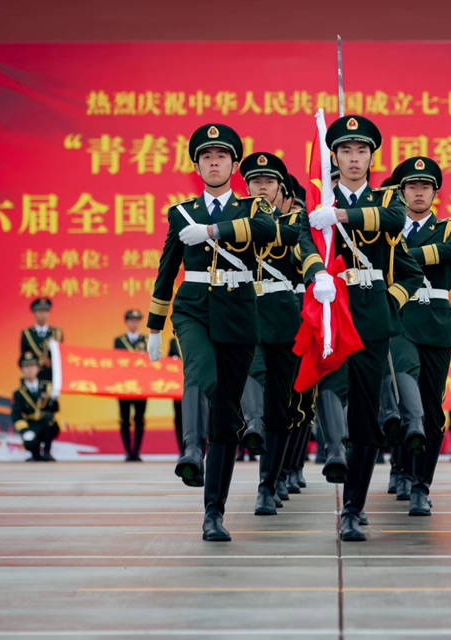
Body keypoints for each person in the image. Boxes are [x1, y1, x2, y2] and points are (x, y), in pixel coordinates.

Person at [146, 123, 276, 542]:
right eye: (206, 157)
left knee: (225, 414)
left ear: (234, 166)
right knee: (199, 370)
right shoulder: (181, 213)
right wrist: (154, 326)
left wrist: (212, 231)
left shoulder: (254, 207)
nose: (214, 163)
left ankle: (214, 512)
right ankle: (190, 448)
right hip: (194, 308)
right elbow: (167, 270)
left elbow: (267, 232)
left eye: (221, 156)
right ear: (197, 166)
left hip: (239, 311)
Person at [297, 114, 422, 542]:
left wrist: (339, 215)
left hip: (371, 313)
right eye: (346, 150)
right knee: (331, 383)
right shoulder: (319, 199)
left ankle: (353, 507)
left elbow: (392, 223)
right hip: (333, 307)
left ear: (372, 158)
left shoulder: (387, 198)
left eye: (362, 150)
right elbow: (303, 243)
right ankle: (333, 450)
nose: (354, 158)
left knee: (368, 416)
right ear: (333, 156)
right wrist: (318, 272)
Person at [379, 157, 451, 516]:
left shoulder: (449, 227)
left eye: (425, 187)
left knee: (432, 410)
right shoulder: (387, 228)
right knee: (405, 382)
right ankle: (400, 470)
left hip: (435, 323)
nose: (419, 192)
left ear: (435, 193)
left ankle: (420, 486)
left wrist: (397, 256)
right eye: (412, 186)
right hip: (399, 319)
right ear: (400, 192)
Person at [237, 152, 301, 516]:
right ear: (246, 186)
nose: (262, 187)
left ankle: (269, 483)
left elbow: (298, 242)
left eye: (269, 182)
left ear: (280, 188)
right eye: (256, 181)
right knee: (253, 369)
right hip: (245, 312)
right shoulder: (233, 218)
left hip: (282, 317)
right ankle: (253, 423)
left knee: (281, 405)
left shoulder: (295, 221)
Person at [284, 177, 313, 495]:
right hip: (275, 317)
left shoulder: (307, 235)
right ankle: (275, 472)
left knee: (303, 402)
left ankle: (292, 466)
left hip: (307, 317)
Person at [11, 352, 60, 462]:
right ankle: (35, 455)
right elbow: (16, 414)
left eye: (32, 366)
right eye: (26, 367)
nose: (30, 370)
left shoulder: (48, 387)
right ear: (21, 370)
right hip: (31, 425)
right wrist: (24, 430)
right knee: (29, 440)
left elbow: (55, 409)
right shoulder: (19, 393)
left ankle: (47, 452)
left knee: (50, 422)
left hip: (45, 424)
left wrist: (53, 400)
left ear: (38, 368)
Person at [115, 309, 148, 462]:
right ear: (126, 322)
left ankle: (137, 451)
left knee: (140, 419)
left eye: (137, 321)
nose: (134, 324)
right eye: (131, 321)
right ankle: (128, 450)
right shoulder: (119, 341)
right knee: (124, 419)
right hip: (124, 387)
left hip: (141, 387)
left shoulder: (146, 340)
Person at [20, 297, 63, 382]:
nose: (43, 315)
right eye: (40, 311)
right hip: (34, 377)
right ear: (34, 313)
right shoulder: (27, 334)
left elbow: (61, 354)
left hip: (53, 375)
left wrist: (51, 361)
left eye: (45, 311)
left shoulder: (57, 333)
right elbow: (24, 357)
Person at [169, 338, 184, 456]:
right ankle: (182, 449)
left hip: (196, 384)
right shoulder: (174, 342)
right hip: (178, 387)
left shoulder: (199, 337)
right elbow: (167, 364)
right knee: (179, 418)